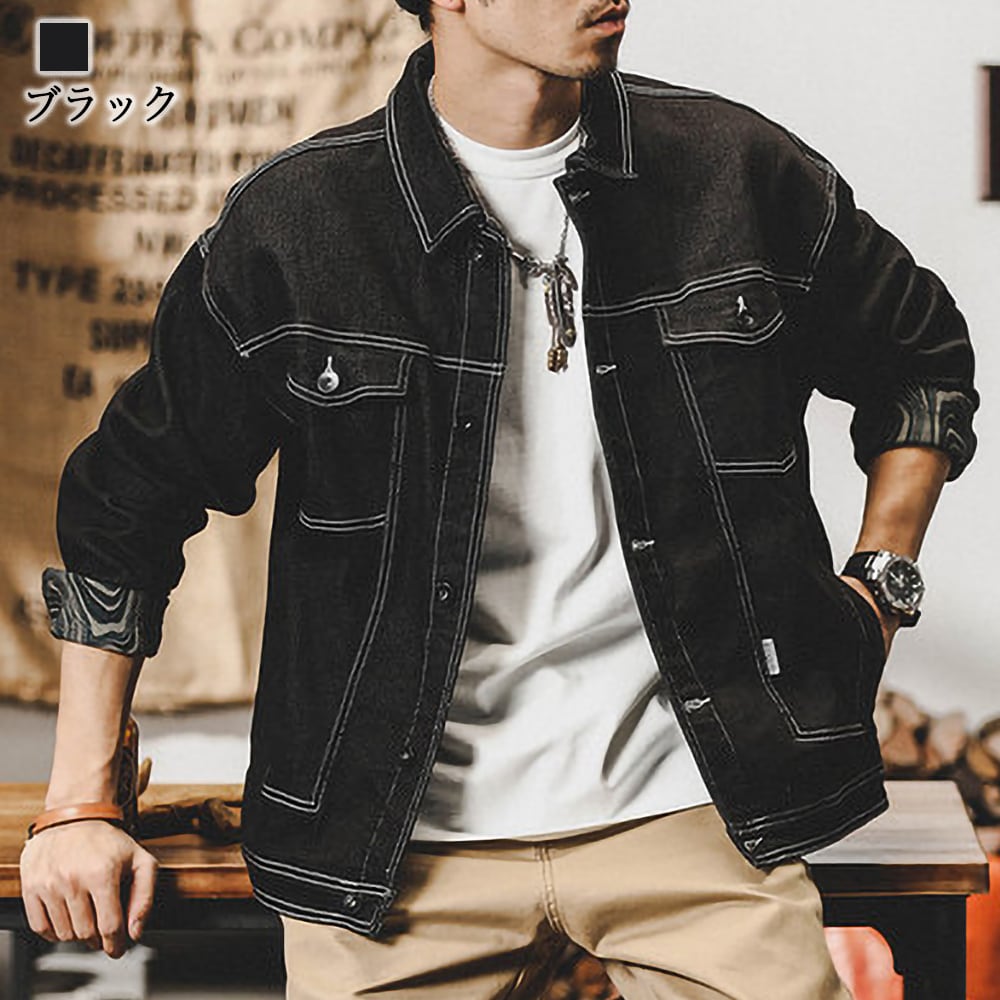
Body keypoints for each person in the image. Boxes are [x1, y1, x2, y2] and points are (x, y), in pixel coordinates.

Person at [20, 1, 979, 997]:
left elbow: (920, 358)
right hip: (394, 852)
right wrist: (81, 802)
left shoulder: (732, 168)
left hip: (692, 814)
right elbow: (128, 499)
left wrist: (880, 584)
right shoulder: (302, 220)